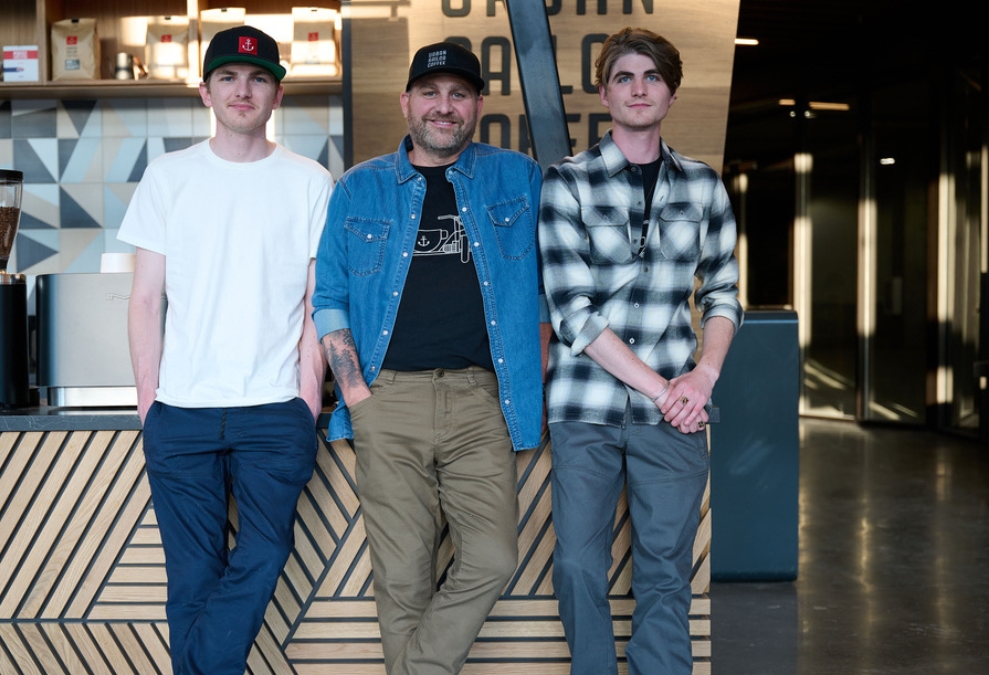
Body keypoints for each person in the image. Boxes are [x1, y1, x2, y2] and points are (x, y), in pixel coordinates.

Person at [312, 42, 549, 675]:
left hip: (480, 400)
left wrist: (536, 368)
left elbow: (548, 292)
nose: (444, 107)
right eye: (430, 92)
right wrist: (356, 395)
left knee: (494, 557)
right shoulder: (359, 186)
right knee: (403, 576)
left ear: (476, 105)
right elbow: (329, 297)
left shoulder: (517, 177)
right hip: (387, 399)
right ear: (407, 102)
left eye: (459, 94)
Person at [118, 25, 333, 675]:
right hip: (180, 411)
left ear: (278, 94)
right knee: (191, 575)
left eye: (259, 77)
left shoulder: (310, 181)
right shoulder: (168, 177)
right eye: (230, 78)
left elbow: (313, 307)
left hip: (274, 410)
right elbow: (145, 299)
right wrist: (149, 402)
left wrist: (306, 397)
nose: (244, 89)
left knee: (265, 553)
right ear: (206, 90)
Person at [539, 27, 744, 675]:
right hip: (586, 407)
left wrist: (703, 378)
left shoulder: (704, 186)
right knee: (576, 562)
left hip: (678, 412)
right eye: (624, 77)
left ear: (672, 94)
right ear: (604, 93)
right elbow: (572, 311)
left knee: (664, 567)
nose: (638, 88)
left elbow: (724, 294)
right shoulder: (565, 183)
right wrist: (665, 387)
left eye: (651, 77)